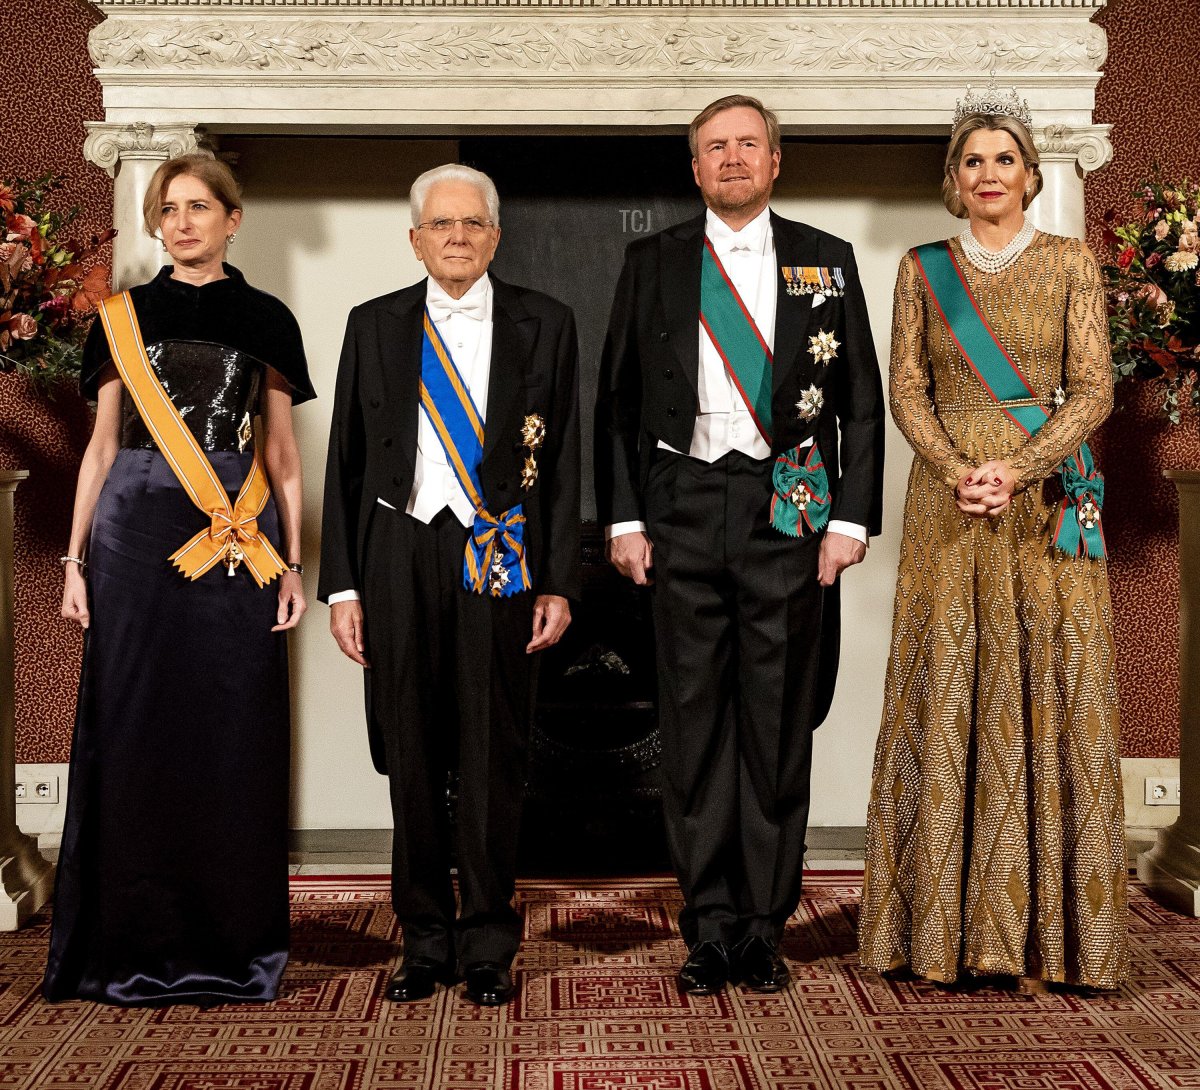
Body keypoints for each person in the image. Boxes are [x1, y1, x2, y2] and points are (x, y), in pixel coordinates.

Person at [594, 95, 885, 996]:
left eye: (747, 145)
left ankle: (764, 925)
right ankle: (709, 923)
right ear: (694, 168)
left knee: (774, 722)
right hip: (680, 503)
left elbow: (861, 404)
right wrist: (625, 520)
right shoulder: (653, 261)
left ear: (775, 160)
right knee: (693, 724)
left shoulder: (824, 260)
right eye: (714, 147)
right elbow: (617, 403)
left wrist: (848, 521)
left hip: (786, 510)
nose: (731, 159)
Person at [857, 85, 1128, 990]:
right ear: (953, 176)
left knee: (1048, 687)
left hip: (1043, 504)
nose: (988, 174)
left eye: (1003, 159)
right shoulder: (919, 267)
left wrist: (1017, 468)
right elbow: (905, 389)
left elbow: (1094, 389)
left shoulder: (1070, 262)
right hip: (948, 507)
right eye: (972, 160)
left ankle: (1050, 936)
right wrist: (954, 469)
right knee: (950, 686)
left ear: (1028, 173)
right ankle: (936, 931)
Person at [45, 152, 314, 1006]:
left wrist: (297, 565)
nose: (184, 222)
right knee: (135, 731)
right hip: (134, 537)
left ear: (234, 219)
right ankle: (130, 944)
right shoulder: (119, 317)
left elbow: (283, 454)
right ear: (156, 221)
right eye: (170, 208)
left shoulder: (268, 317)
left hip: (235, 537)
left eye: (201, 206)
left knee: (232, 732)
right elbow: (100, 448)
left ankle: (234, 948)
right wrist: (75, 563)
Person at [319, 164, 580, 1008]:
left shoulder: (548, 322)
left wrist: (558, 579)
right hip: (398, 548)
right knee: (412, 752)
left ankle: (489, 943)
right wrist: (344, 587)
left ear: (495, 236)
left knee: (493, 749)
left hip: (500, 551)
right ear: (416, 239)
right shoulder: (373, 324)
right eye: (442, 224)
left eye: (472, 223)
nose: (457, 236)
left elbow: (567, 460)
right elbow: (346, 466)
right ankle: (424, 938)